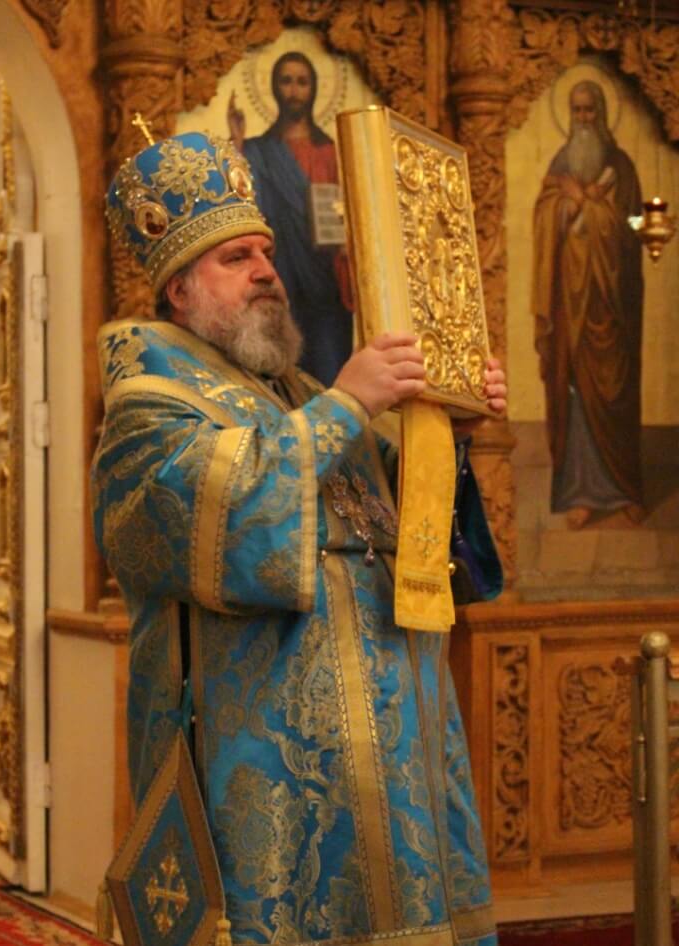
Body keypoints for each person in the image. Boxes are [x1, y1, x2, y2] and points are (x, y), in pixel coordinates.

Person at [96, 131, 506, 946]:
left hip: (391, 757)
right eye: (236, 258)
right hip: (263, 768)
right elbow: (224, 524)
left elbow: (404, 528)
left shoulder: (298, 391)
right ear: (180, 290)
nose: (266, 271)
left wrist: (448, 434)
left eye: (266, 252)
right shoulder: (150, 404)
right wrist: (346, 408)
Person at [532, 79, 644, 530]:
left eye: (589, 110)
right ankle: (580, 493)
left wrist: (597, 211)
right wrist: (567, 205)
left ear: (601, 113)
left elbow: (635, 229)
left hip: (610, 305)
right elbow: (544, 219)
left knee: (616, 391)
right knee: (573, 389)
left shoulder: (622, 168)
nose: (582, 119)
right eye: (576, 110)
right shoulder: (561, 165)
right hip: (567, 305)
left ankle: (625, 488)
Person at [228, 51, 353, 387]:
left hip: (325, 279)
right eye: (286, 81)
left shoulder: (332, 152)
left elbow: (351, 213)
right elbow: (243, 202)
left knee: (328, 369)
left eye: (302, 82)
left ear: (314, 89)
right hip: (278, 272)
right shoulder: (258, 151)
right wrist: (237, 143)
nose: (294, 91)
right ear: (274, 87)